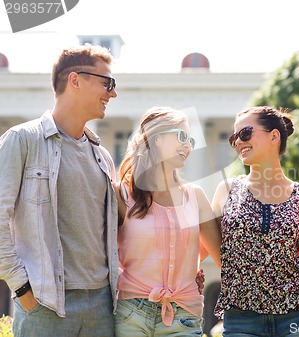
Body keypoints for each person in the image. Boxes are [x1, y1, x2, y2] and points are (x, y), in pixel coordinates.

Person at [0, 44, 119, 337]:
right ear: (75, 80)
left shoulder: (102, 157)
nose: (112, 93)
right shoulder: (22, 140)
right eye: (107, 83)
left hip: (101, 307)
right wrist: (22, 288)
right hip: (44, 305)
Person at [211, 106, 299, 337]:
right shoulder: (227, 189)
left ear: (274, 136)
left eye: (245, 133)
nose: (238, 142)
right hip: (241, 318)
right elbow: (205, 245)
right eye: (234, 137)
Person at [114, 106, 222, 337]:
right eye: (182, 136)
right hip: (131, 312)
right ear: (157, 138)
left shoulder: (195, 196)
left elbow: (223, 256)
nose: (188, 146)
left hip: (183, 315)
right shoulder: (121, 194)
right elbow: (103, 255)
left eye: (191, 139)